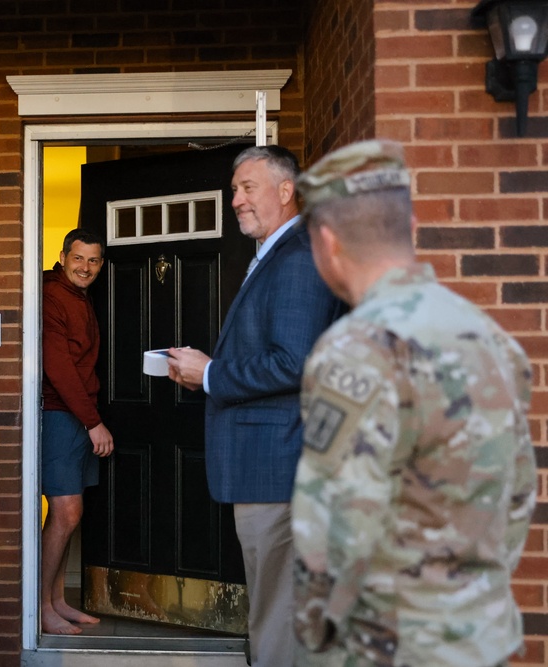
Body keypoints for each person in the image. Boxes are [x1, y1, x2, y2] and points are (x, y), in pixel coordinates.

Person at [290, 139, 537, 667]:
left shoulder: (357, 348)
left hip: (387, 645)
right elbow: (518, 490)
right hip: (478, 639)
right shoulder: (490, 337)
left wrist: (315, 637)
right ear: (413, 227)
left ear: (327, 243)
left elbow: (333, 522)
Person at [166, 146, 346, 666]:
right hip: (269, 467)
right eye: (235, 189)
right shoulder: (276, 253)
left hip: (281, 467)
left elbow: (295, 362)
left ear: (285, 191)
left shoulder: (297, 258)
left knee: (278, 612)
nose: (235, 199)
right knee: (274, 606)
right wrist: (203, 373)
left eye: (248, 188)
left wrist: (212, 373)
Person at [40, 228, 114, 635]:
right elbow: (59, 367)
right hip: (60, 414)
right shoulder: (53, 295)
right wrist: (93, 422)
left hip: (75, 414)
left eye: (93, 260)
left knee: (71, 512)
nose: (85, 267)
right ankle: (40, 607)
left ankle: (56, 600)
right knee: (66, 511)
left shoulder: (78, 297)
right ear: (64, 256)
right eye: (78, 258)